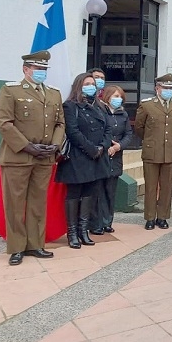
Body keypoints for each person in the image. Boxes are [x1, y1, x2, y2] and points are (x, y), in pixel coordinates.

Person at [0, 50, 64, 266]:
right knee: (15, 204)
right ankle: (17, 248)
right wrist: (27, 146)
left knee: (37, 203)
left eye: (44, 69)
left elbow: (60, 123)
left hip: (44, 157)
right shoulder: (10, 90)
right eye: (38, 69)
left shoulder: (53, 93)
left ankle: (35, 244)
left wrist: (54, 145)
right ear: (26, 69)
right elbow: (4, 123)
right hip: (18, 157)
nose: (42, 72)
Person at [57, 73, 112, 249]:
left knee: (89, 194)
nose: (91, 86)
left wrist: (102, 147)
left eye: (93, 84)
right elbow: (72, 131)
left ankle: (84, 230)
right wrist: (91, 149)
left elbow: (108, 129)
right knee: (74, 195)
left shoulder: (100, 106)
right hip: (78, 158)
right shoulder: (70, 106)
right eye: (87, 83)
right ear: (79, 86)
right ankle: (72, 233)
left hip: (97, 157)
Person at [135, 73, 172, 230]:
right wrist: (151, 140)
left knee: (166, 187)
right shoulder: (146, 105)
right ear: (157, 88)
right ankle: (150, 217)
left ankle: (162, 217)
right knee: (150, 187)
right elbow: (139, 127)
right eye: (165, 87)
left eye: (170, 88)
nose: (168, 90)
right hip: (152, 151)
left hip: (170, 152)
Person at [90, 85, 133, 235]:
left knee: (110, 191)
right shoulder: (99, 111)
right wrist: (106, 146)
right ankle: (97, 223)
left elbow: (128, 134)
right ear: (107, 96)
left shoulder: (124, 114)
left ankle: (108, 221)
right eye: (115, 96)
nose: (118, 99)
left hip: (116, 157)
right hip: (102, 156)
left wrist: (119, 146)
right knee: (98, 191)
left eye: (120, 96)